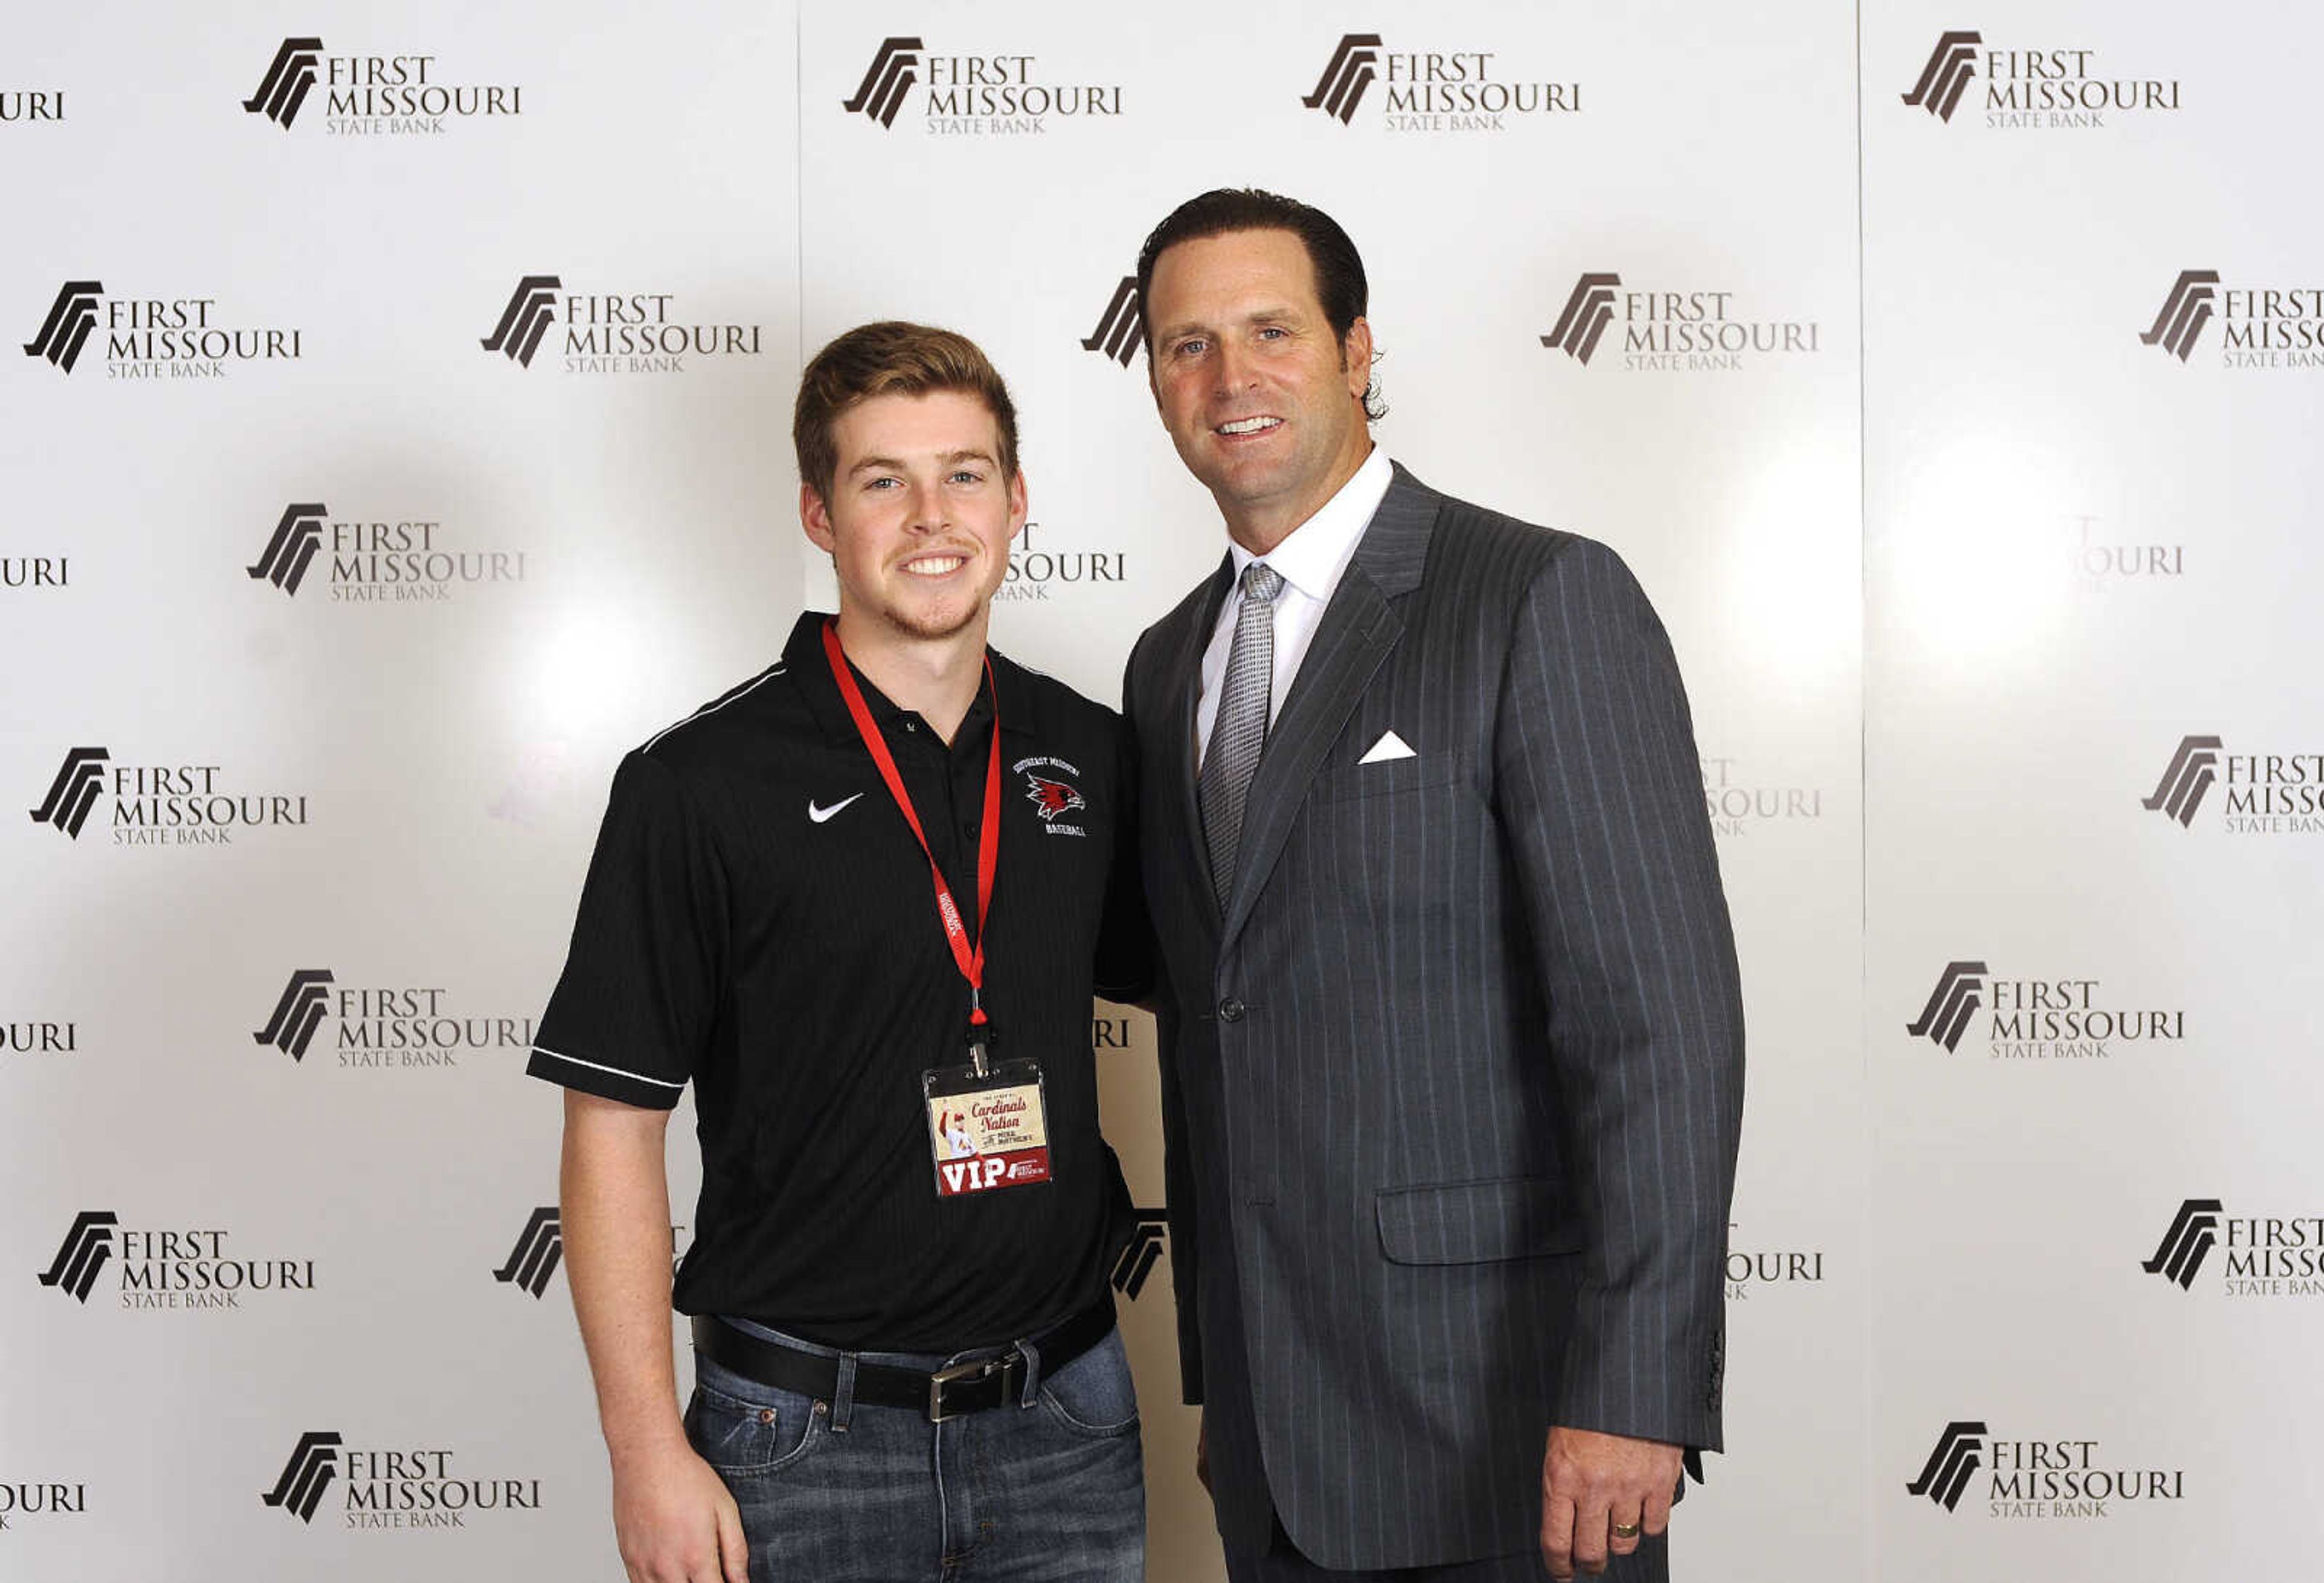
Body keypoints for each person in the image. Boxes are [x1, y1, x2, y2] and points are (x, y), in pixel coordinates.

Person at [1120, 189, 1745, 1583]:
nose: (1231, 379)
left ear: (1356, 352)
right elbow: (1208, 1039)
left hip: (1509, 1440)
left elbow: (1660, 1030)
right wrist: (1229, 1380)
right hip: (1278, 1456)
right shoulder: (1167, 668)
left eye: (1272, 330)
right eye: (1186, 345)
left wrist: (1635, 1391)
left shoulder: (1538, 598)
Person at [530, 321, 1149, 1583]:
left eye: (966, 474)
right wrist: (645, 1450)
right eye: (885, 482)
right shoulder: (698, 784)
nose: (934, 516)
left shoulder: (1088, 751)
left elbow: (1233, 1002)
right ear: (820, 515)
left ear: (1018, 499)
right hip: (803, 1446)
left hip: (1070, 1426)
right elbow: (612, 1129)